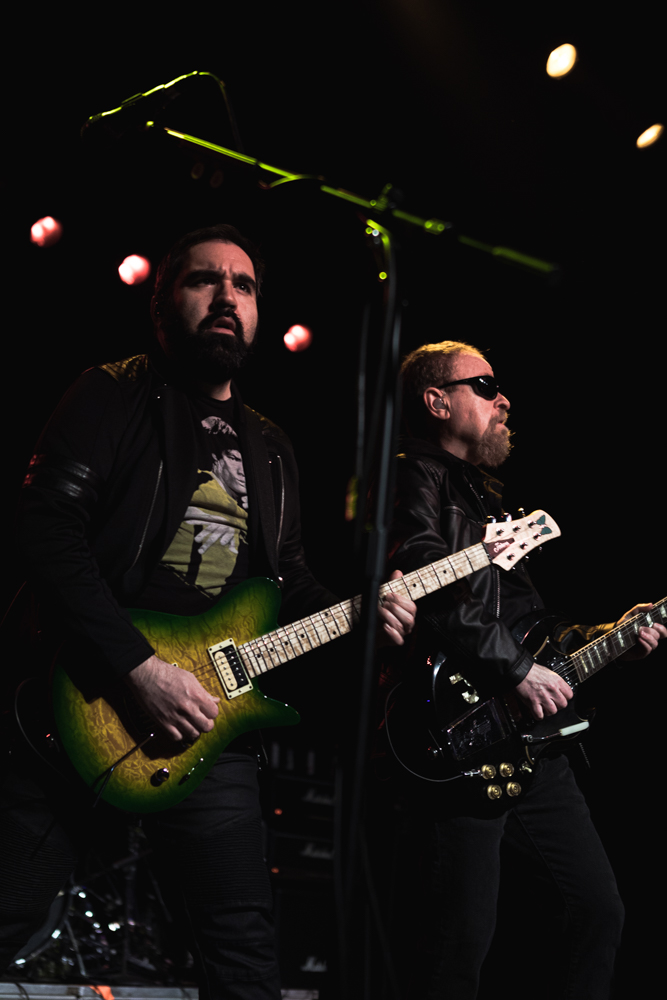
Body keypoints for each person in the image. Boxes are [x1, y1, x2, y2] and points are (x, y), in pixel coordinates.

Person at [0, 224, 415, 998]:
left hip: (209, 720)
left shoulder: (271, 446)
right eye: (204, 280)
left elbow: (287, 582)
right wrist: (135, 668)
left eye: (245, 285)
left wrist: (362, 611)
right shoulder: (111, 393)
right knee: (10, 910)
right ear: (161, 306)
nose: (228, 296)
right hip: (81, 696)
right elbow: (46, 530)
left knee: (242, 957)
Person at [380, 339, 666, 999]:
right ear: (436, 401)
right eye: (485, 386)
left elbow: (529, 625)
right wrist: (514, 671)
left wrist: (609, 638)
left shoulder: (483, 498)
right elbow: (426, 584)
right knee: (454, 949)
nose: (503, 399)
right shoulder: (412, 476)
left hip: (526, 744)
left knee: (594, 911)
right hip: (455, 734)